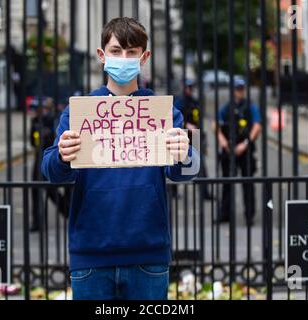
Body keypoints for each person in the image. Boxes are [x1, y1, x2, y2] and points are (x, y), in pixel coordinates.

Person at [41, 17, 200, 300]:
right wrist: (62, 157)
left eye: (131, 52)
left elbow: (186, 172)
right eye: (116, 51)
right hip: (91, 254)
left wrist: (185, 152)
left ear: (144, 57)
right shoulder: (79, 112)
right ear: (102, 56)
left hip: (147, 254)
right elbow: (51, 171)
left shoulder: (162, 112)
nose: (123, 58)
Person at [215, 78, 262, 226]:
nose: (239, 91)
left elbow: (257, 126)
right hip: (229, 150)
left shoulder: (250, 107)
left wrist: (246, 144)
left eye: (241, 88)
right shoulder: (226, 107)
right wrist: (221, 139)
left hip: (245, 151)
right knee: (227, 183)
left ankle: (249, 216)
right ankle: (225, 214)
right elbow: (215, 124)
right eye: (237, 88)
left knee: (247, 183)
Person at [30, 97, 70, 231]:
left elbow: (57, 140)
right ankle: (37, 222)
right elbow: (31, 141)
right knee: (35, 188)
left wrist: (47, 135)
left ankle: (68, 210)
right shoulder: (35, 121)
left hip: (53, 157)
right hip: (39, 158)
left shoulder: (53, 120)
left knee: (52, 189)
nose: (40, 111)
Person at [175, 79, 211, 199]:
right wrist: (186, 125)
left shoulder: (195, 102)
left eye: (191, 87)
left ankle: (204, 192)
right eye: (188, 87)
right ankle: (173, 191)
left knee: (200, 163)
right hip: (183, 135)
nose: (190, 89)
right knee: (177, 162)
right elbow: (175, 119)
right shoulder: (179, 101)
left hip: (195, 135)